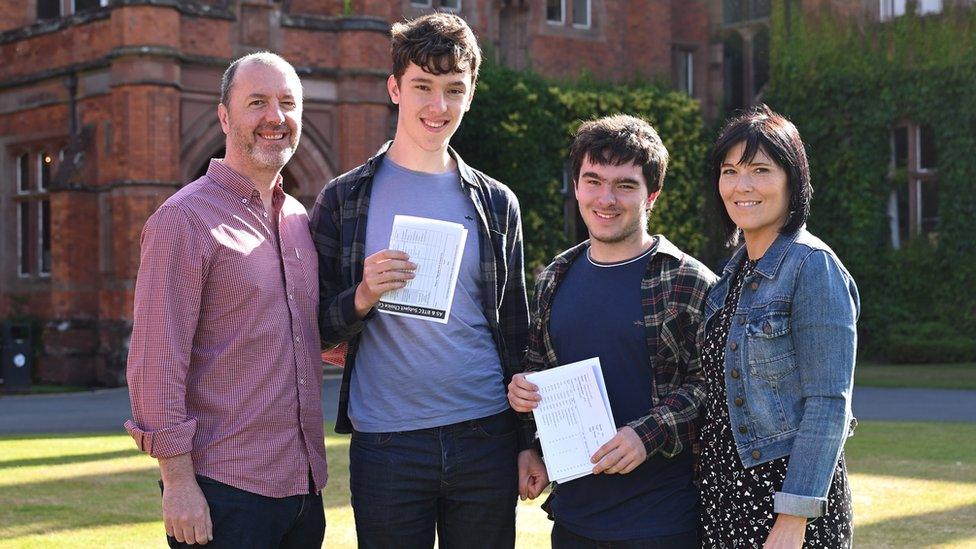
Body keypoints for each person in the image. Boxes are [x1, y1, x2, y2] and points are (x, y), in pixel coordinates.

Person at [308, 13, 531, 549]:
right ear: (394, 88)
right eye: (423, 87)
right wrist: (362, 295)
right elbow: (311, 327)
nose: (439, 106)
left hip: (485, 431)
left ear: (471, 94)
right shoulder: (344, 199)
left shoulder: (498, 203)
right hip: (387, 440)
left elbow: (519, 329)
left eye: (454, 89)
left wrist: (529, 442)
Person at [124, 52, 327, 548]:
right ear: (224, 116)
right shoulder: (184, 220)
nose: (274, 118)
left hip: (304, 492)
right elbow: (156, 363)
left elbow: (300, 335)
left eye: (287, 103)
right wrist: (177, 484)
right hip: (223, 494)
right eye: (257, 102)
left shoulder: (299, 220)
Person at [507, 115, 717, 548]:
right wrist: (525, 408)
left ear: (651, 195)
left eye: (624, 185)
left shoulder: (689, 281)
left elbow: (714, 386)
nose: (606, 198)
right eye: (593, 180)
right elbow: (537, 368)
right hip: (573, 521)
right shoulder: (555, 277)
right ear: (577, 187)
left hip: (665, 522)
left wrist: (647, 435)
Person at [697, 104, 859, 548]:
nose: (741, 185)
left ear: (792, 180)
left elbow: (829, 404)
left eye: (760, 170)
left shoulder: (814, 268)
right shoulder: (731, 276)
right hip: (723, 495)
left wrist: (794, 516)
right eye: (729, 171)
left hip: (784, 502)